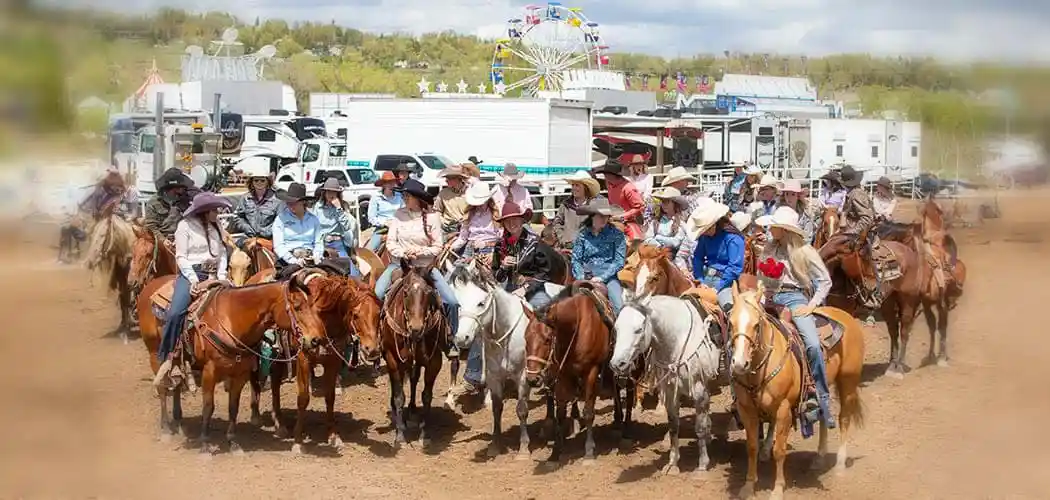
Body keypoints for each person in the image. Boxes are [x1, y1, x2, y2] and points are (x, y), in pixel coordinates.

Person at [754, 206, 835, 429]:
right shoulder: (768, 248)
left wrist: (811, 306)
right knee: (743, 332)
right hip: (768, 297)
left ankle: (819, 396)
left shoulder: (805, 252)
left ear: (784, 229)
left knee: (812, 343)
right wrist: (761, 294)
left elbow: (825, 281)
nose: (771, 229)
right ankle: (740, 392)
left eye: (775, 226)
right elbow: (760, 277)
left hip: (795, 297)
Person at [153, 192, 232, 389]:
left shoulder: (217, 225)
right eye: (214, 209)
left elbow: (222, 253)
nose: (217, 212)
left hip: (216, 273)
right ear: (204, 212)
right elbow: (181, 257)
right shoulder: (184, 226)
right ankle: (169, 358)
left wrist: (221, 276)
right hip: (191, 274)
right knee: (176, 312)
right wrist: (195, 280)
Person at [373, 178, 460, 342]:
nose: (405, 198)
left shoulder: (433, 218)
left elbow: (437, 246)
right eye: (404, 195)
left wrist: (419, 252)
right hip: (399, 265)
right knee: (376, 294)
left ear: (417, 198)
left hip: (425, 268)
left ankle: (451, 338)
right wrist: (404, 253)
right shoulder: (399, 215)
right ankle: (378, 336)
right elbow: (391, 242)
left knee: (452, 301)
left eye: (408, 196)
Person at [838, 165, 900, 304]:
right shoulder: (854, 193)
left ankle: (875, 291)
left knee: (866, 256)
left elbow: (866, 218)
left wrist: (852, 232)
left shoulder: (856, 195)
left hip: (863, 233)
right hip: (859, 231)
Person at [571, 198, 628, 315]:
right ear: (592, 216)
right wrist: (581, 276)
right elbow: (576, 259)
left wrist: (602, 277)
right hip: (585, 274)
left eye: (606, 215)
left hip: (609, 276)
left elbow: (619, 261)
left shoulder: (617, 235)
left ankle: (617, 331)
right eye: (600, 215)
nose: (604, 218)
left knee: (619, 305)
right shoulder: (582, 234)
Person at [689, 201, 745, 310]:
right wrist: (700, 280)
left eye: (706, 229)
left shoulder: (733, 238)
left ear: (714, 224)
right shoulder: (705, 237)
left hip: (725, 282)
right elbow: (697, 258)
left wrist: (718, 287)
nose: (704, 233)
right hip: (706, 278)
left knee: (728, 307)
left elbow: (734, 268)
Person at [312, 178, 360, 276]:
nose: (331, 194)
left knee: (352, 273)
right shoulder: (317, 207)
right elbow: (314, 226)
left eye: (334, 192)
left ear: (338, 194)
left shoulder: (343, 207)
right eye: (328, 191)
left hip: (338, 244)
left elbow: (346, 226)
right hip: (321, 243)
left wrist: (338, 208)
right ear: (324, 193)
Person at [229, 157, 280, 247]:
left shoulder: (276, 199)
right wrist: (246, 228)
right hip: (249, 237)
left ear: (268, 182)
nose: (259, 182)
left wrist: (266, 231)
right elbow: (238, 216)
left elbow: (280, 220)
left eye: (262, 180)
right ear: (252, 182)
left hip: (269, 240)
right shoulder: (245, 198)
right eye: (256, 180)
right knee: (237, 256)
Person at [450, 181, 501, 266]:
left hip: (490, 250)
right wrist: (452, 247)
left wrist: (488, 245)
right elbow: (463, 238)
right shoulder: (469, 214)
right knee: (456, 270)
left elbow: (501, 239)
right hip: (470, 249)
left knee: (488, 273)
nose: (480, 204)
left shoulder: (495, 215)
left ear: (488, 200)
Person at [272, 183, 323, 267]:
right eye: (288, 203)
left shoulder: (314, 220)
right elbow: (278, 245)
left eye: (294, 202)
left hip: (310, 257)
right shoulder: (280, 219)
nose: (290, 205)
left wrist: (317, 255)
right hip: (288, 258)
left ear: (303, 202)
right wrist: (291, 260)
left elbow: (319, 242)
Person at [592, 161, 645, 241]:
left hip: (629, 222)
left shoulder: (628, 188)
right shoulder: (610, 185)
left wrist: (623, 216)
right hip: (613, 219)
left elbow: (640, 206)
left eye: (606, 173)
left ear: (612, 175)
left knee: (635, 243)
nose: (605, 176)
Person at [550, 170, 603, 249]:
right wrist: (563, 238)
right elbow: (557, 222)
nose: (574, 188)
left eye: (577, 185)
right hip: (566, 246)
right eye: (573, 185)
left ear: (586, 187)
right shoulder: (566, 205)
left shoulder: (594, 206)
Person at [643, 187, 690, 266]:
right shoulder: (655, 222)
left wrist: (657, 238)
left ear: (675, 204)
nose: (663, 205)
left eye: (667, 202)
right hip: (655, 257)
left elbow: (675, 242)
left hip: (675, 261)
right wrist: (658, 246)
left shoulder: (681, 224)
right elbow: (647, 239)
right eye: (662, 202)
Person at [143, 168, 195, 238]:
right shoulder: (154, 202)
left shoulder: (187, 198)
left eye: (181, 188)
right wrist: (163, 240)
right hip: (162, 240)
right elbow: (151, 226)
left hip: (184, 237)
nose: (180, 192)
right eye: (176, 190)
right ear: (167, 189)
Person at [366, 172, 403, 252]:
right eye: (388, 183)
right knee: (369, 250)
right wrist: (385, 223)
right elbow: (371, 218)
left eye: (392, 182)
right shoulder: (376, 197)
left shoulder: (400, 196)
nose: (391, 185)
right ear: (383, 185)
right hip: (382, 229)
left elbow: (404, 212)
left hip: (399, 228)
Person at [434, 164, 470, 234]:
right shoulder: (443, 193)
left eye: (449, 178)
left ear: (458, 179)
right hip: (446, 228)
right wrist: (441, 222)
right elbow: (437, 210)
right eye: (446, 178)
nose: (446, 181)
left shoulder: (470, 193)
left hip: (465, 228)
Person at [778, 179, 816, 244]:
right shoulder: (779, 213)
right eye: (787, 194)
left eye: (793, 194)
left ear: (798, 196)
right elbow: (770, 233)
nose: (789, 197)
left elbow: (808, 238)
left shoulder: (805, 217)